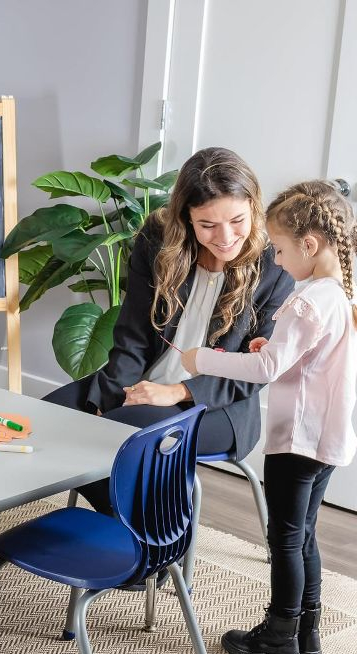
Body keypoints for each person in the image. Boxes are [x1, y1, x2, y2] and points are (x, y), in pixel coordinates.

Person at [44, 148, 295, 552]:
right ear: (186, 219)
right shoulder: (157, 241)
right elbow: (132, 335)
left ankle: (156, 545)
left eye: (237, 221)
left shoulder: (275, 263)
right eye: (208, 225)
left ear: (253, 207)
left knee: (116, 435)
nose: (226, 238)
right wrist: (107, 398)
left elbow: (255, 369)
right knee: (47, 419)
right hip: (141, 383)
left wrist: (178, 392)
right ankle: (140, 531)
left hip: (219, 407)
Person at [182, 180, 357, 654]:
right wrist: (271, 349)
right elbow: (302, 360)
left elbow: (264, 372)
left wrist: (206, 359)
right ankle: (307, 633)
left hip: (297, 443)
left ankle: (279, 634)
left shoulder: (304, 303)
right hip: (326, 441)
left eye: (279, 249)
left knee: (283, 538)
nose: (275, 262)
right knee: (304, 535)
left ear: (310, 244)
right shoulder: (336, 294)